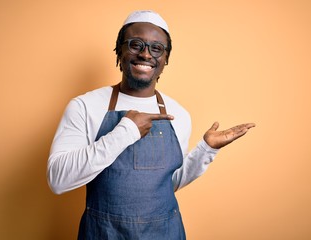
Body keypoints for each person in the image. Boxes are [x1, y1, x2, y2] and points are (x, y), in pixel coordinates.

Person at [47, 10, 255, 240]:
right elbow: (59, 180)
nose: (146, 54)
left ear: (165, 59)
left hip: (165, 233)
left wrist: (206, 150)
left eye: (156, 48)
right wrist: (125, 132)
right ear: (120, 51)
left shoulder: (178, 113)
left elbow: (169, 184)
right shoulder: (85, 106)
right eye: (136, 44)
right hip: (103, 234)